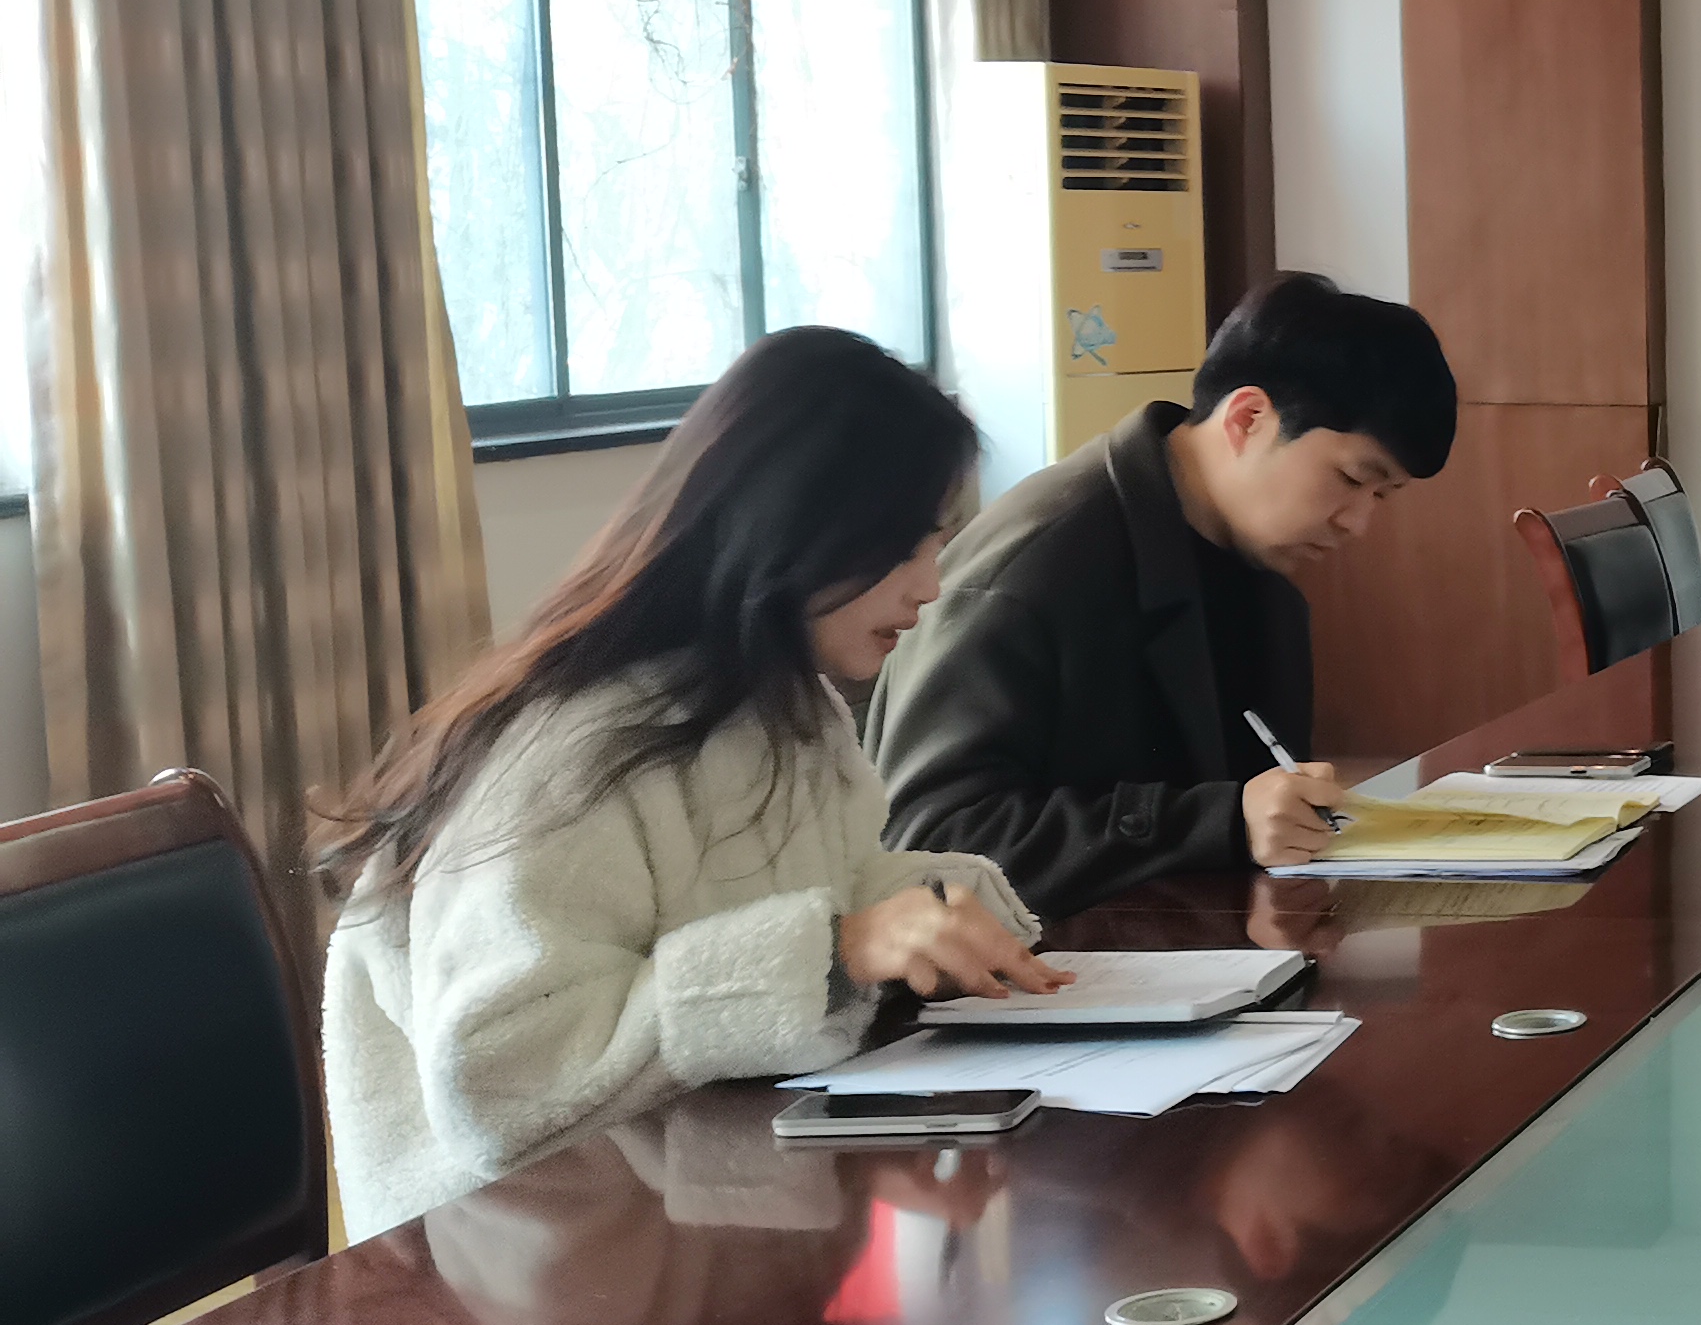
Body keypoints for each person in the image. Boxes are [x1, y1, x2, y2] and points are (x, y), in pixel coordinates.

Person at [316, 327, 1059, 1242]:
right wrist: (836, 949)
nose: (930, 587)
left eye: (937, 545)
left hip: (686, 1212)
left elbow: (792, 888)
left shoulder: (786, 704)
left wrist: (926, 903)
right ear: (799, 525)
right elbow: (500, 1077)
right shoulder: (574, 752)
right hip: (508, 1258)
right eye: (904, 548)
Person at [871, 272, 1455, 913]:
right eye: (1350, 479)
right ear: (1249, 418)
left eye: (1383, 496)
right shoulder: (1036, 564)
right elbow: (927, 842)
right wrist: (1217, 822)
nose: (1358, 523)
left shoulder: (1258, 567)